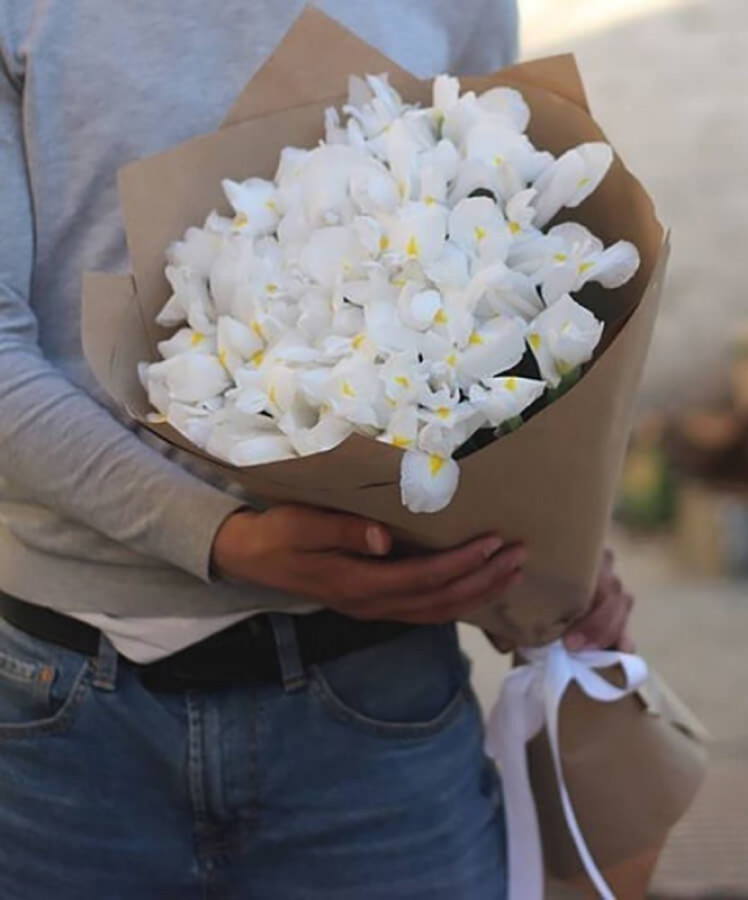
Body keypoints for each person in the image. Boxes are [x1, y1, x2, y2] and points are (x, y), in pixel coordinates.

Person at [0, 1, 640, 897]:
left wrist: (541, 550)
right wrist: (221, 537)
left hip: (374, 702)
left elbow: (502, 238)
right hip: (63, 721)